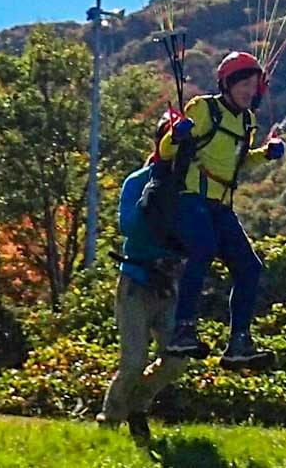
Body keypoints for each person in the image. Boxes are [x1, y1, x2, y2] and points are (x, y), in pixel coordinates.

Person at [151, 50, 286, 368]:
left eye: (253, 86)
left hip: (221, 206)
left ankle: (239, 342)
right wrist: (176, 135)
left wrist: (265, 154)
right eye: (243, 84)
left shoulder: (247, 120)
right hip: (190, 198)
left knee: (250, 268)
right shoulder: (203, 109)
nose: (249, 91)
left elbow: (237, 163)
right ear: (227, 84)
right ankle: (182, 330)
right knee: (203, 248)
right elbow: (166, 151)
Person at [101, 161, 190, 443]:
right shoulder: (137, 181)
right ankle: (111, 418)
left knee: (177, 358)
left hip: (169, 285)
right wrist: (153, 196)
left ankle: (137, 407)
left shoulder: (190, 184)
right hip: (135, 284)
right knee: (133, 361)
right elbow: (129, 226)